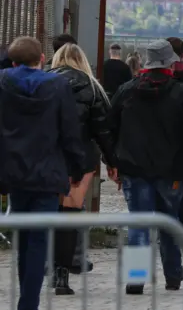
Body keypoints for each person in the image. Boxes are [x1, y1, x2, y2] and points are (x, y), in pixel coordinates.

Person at [109, 39, 183, 294]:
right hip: (172, 169)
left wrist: (112, 161)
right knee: (171, 221)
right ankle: (174, 275)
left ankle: (136, 277)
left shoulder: (127, 91)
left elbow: (110, 127)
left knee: (138, 222)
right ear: (170, 63)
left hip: (134, 168)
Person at [0, 37, 86, 310]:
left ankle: (25, 291)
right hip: (48, 172)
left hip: (12, 171)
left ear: (12, 62)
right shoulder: (59, 86)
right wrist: (77, 168)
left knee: (22, 237)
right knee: (38, 240)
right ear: (41, 60)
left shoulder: (3, 82)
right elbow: (70, 131)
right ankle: (29, 301)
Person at [48, 43, 118, 294]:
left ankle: (45, 264)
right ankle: (62, 274)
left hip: (49, 155)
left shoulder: (45, 82)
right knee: (70, 213)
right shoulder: (92, 87)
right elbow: (103, 130)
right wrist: (113, 162)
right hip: (82, 157)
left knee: (48, 211)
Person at [165, 38, 183, 232]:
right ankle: (181, 229)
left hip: (159, 144)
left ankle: (164, 228)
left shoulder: (148, 81)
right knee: (182, 188)